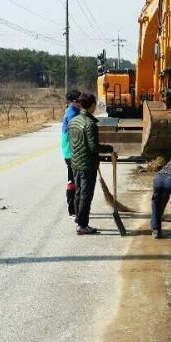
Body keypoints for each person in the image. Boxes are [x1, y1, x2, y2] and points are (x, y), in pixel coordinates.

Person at [68, 93, 114, 235]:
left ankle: (79, 221)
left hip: (75, 163)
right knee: (86, 195)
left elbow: (72, 143)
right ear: (92, 105)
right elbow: (94, 147)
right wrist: (111, 148)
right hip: (87, 165)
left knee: (79, 193)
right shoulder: (90, 124)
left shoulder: (73, 121)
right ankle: (82, 225)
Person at [61, 89, 82, 218]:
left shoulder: (74, 111)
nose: (80, 102)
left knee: (73, 180)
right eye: (77, 100)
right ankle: (72, 209)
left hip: (69, 152)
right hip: (72, 152)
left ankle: (73, 208)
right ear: (71, 101)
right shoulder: (72, 114)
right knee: (74, 181)